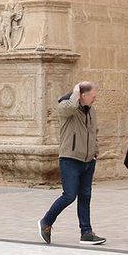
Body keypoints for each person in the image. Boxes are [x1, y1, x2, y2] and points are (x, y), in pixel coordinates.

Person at [38, 80, 106, 245]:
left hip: (88, 160)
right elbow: (66, 109)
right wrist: (75, 92)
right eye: (93, 95)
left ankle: (86, 232)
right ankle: (46, 222)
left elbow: (93, 131)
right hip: (70, 159)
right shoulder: (66, 106)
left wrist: (95, 151)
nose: (95, 98)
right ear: (83, 95)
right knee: (69, 196)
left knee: (85, 196)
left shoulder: (91, 110)